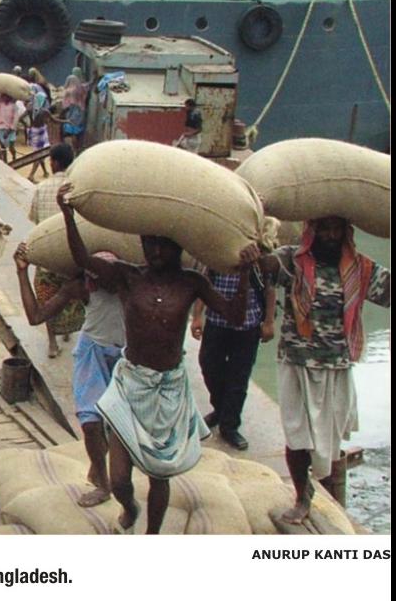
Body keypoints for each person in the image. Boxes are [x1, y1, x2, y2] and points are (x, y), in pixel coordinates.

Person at [57, 183, 259, 534]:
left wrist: (244, 273)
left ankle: (152, 536)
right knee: (120, 479)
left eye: (163, 244)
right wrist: (68, 215)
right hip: (129, 382)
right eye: (149, 243)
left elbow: (234, 315)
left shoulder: (192, 283)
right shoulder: (128, 276)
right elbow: (84, 260)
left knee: (159, 473)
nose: (155, 251)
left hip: (167, 388)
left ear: (178, 246)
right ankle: (129, 506)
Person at [260, 217, 390, 525]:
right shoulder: (292, 260)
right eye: (324, 229)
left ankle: (330, 500)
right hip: (297, 361)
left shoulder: (360, 268)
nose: (330, 235)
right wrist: (256, 251)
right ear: (312, 231)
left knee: (329, 440)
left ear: (346, 231)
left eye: (336, 229)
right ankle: (302, 497)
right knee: (296, 435)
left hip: (336, 365)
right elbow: (264, 269)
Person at [15, 246, 125, 506]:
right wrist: (22, 273)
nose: (103, 281)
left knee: (118, 425)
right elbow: (36, 316)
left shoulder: (131, 286)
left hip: (125, 355)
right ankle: (103, 484)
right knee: (90, 421)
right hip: (92, 353)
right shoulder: (82, 287)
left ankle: (101, 466)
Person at [190, 263, 276, 452]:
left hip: (248, 326)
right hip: (216, 322)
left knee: (238, 378)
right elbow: (205, 285)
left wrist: (269, 322)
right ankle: (220, 409)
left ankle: (229, 426)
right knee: (209, 367)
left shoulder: (258, 261)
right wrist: (197, 316)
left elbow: (269, 288)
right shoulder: (216, 257)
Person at [28, 143, 84, 357]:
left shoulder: (41, 188)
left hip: (47, 254)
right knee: (72, 293)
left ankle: (52, 343)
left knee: (47, 299)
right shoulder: (76, 188)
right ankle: (68, 331)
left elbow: (35, 220)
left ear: (54, 162)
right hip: (72, 254)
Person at [0, 92, 27, 163]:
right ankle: (5, 161)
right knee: (2, 146)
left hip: (10, 129)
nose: (4, 98)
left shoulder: (14, 106)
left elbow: (15, 119)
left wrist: (10, 129)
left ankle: (13, 156)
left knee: (11, 146)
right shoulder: (0, 105)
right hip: (1, 128)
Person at [59, 72, 87, 151]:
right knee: (78, 131)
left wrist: (63, 111)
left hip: (71, 112)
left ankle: (73, 149)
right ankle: (78, 148)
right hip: (80, 112)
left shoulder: (68, 91)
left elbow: (66, 104)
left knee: (71, 131)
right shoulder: (80, 89)